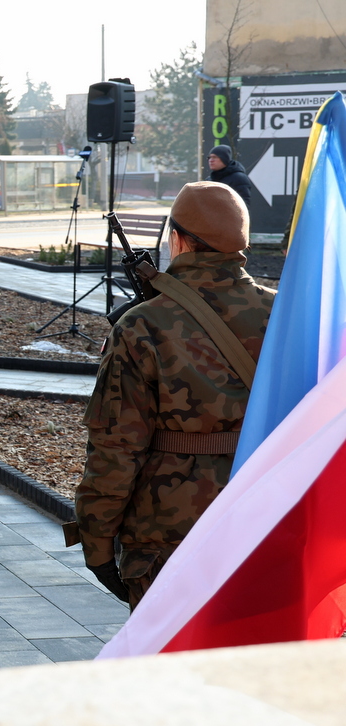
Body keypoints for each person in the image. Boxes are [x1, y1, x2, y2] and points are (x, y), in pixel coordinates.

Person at [75, 181, 275, 611]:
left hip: (167, 539)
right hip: (267, 521)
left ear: (178, 239)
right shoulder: (286, 314)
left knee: (173, 671)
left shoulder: (141, 326)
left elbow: (115, 448)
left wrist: (96, 543)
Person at [208, 145, 254, 209]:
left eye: (214, 157)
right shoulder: (209, 180)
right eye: (209, 157)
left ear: (224, 159)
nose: (211, 160)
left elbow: (243, 207)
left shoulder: (239, 178)